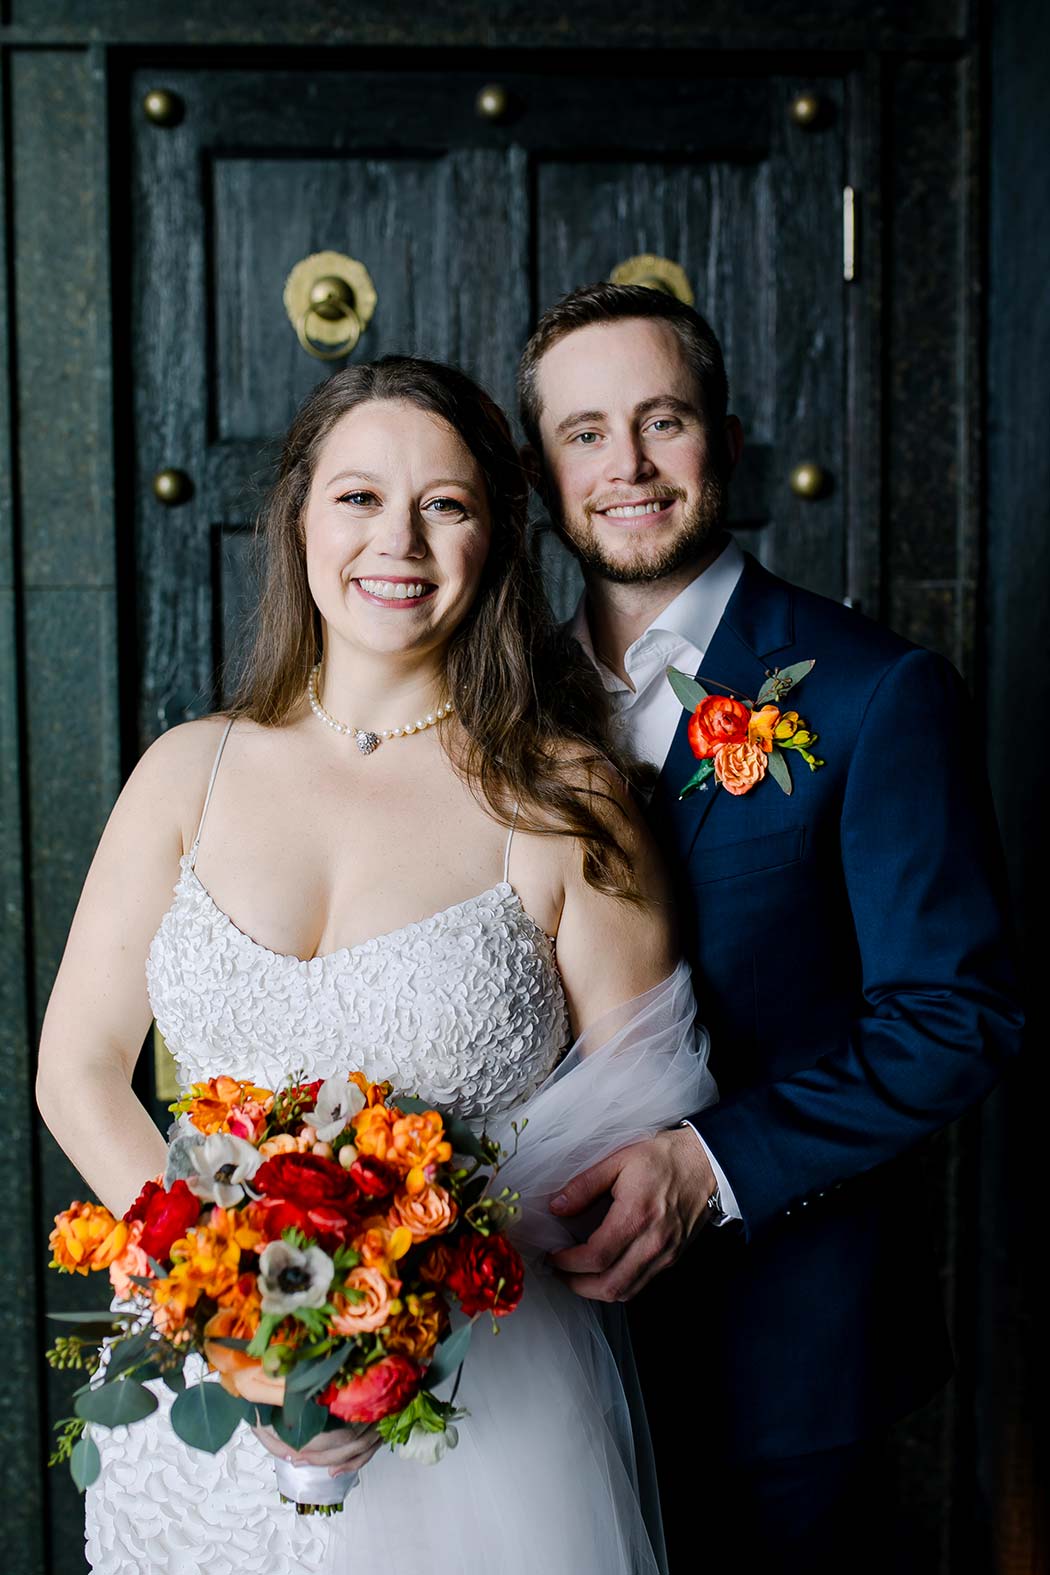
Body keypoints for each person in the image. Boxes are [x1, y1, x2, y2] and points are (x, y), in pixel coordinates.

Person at [35, 355, 717, 1574]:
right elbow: (80, 1071)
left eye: (445, 505)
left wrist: (407, 1296)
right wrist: (227, 1301)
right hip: (206, 1383)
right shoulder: (186, 772)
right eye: (357, 498)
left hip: (477, 1404)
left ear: (496, 539)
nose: (396, 541)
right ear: (298, 516)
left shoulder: (567, 804)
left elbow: (642, 1109)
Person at [517, 282, 1025, 1574]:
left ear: (725, 440)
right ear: (542, 468)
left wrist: (707, 1163)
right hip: (524, 1338)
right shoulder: (496, 695)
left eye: (660, 421)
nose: (625, 465)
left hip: (782, 1344)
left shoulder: (872, 690)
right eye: (583, 432)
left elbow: (951, 1015)